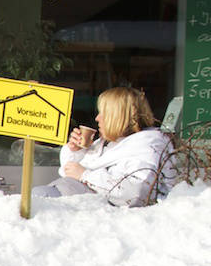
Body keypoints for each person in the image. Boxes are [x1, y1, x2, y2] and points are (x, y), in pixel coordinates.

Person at [35, 86, 174, 207]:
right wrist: (77, 151)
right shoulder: (109, 143)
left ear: (118, 117)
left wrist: (85, 175)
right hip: (70, 199)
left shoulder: (145, 147)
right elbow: (70, 171)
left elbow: (135, 194)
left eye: (103, 113)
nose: (97, 118)